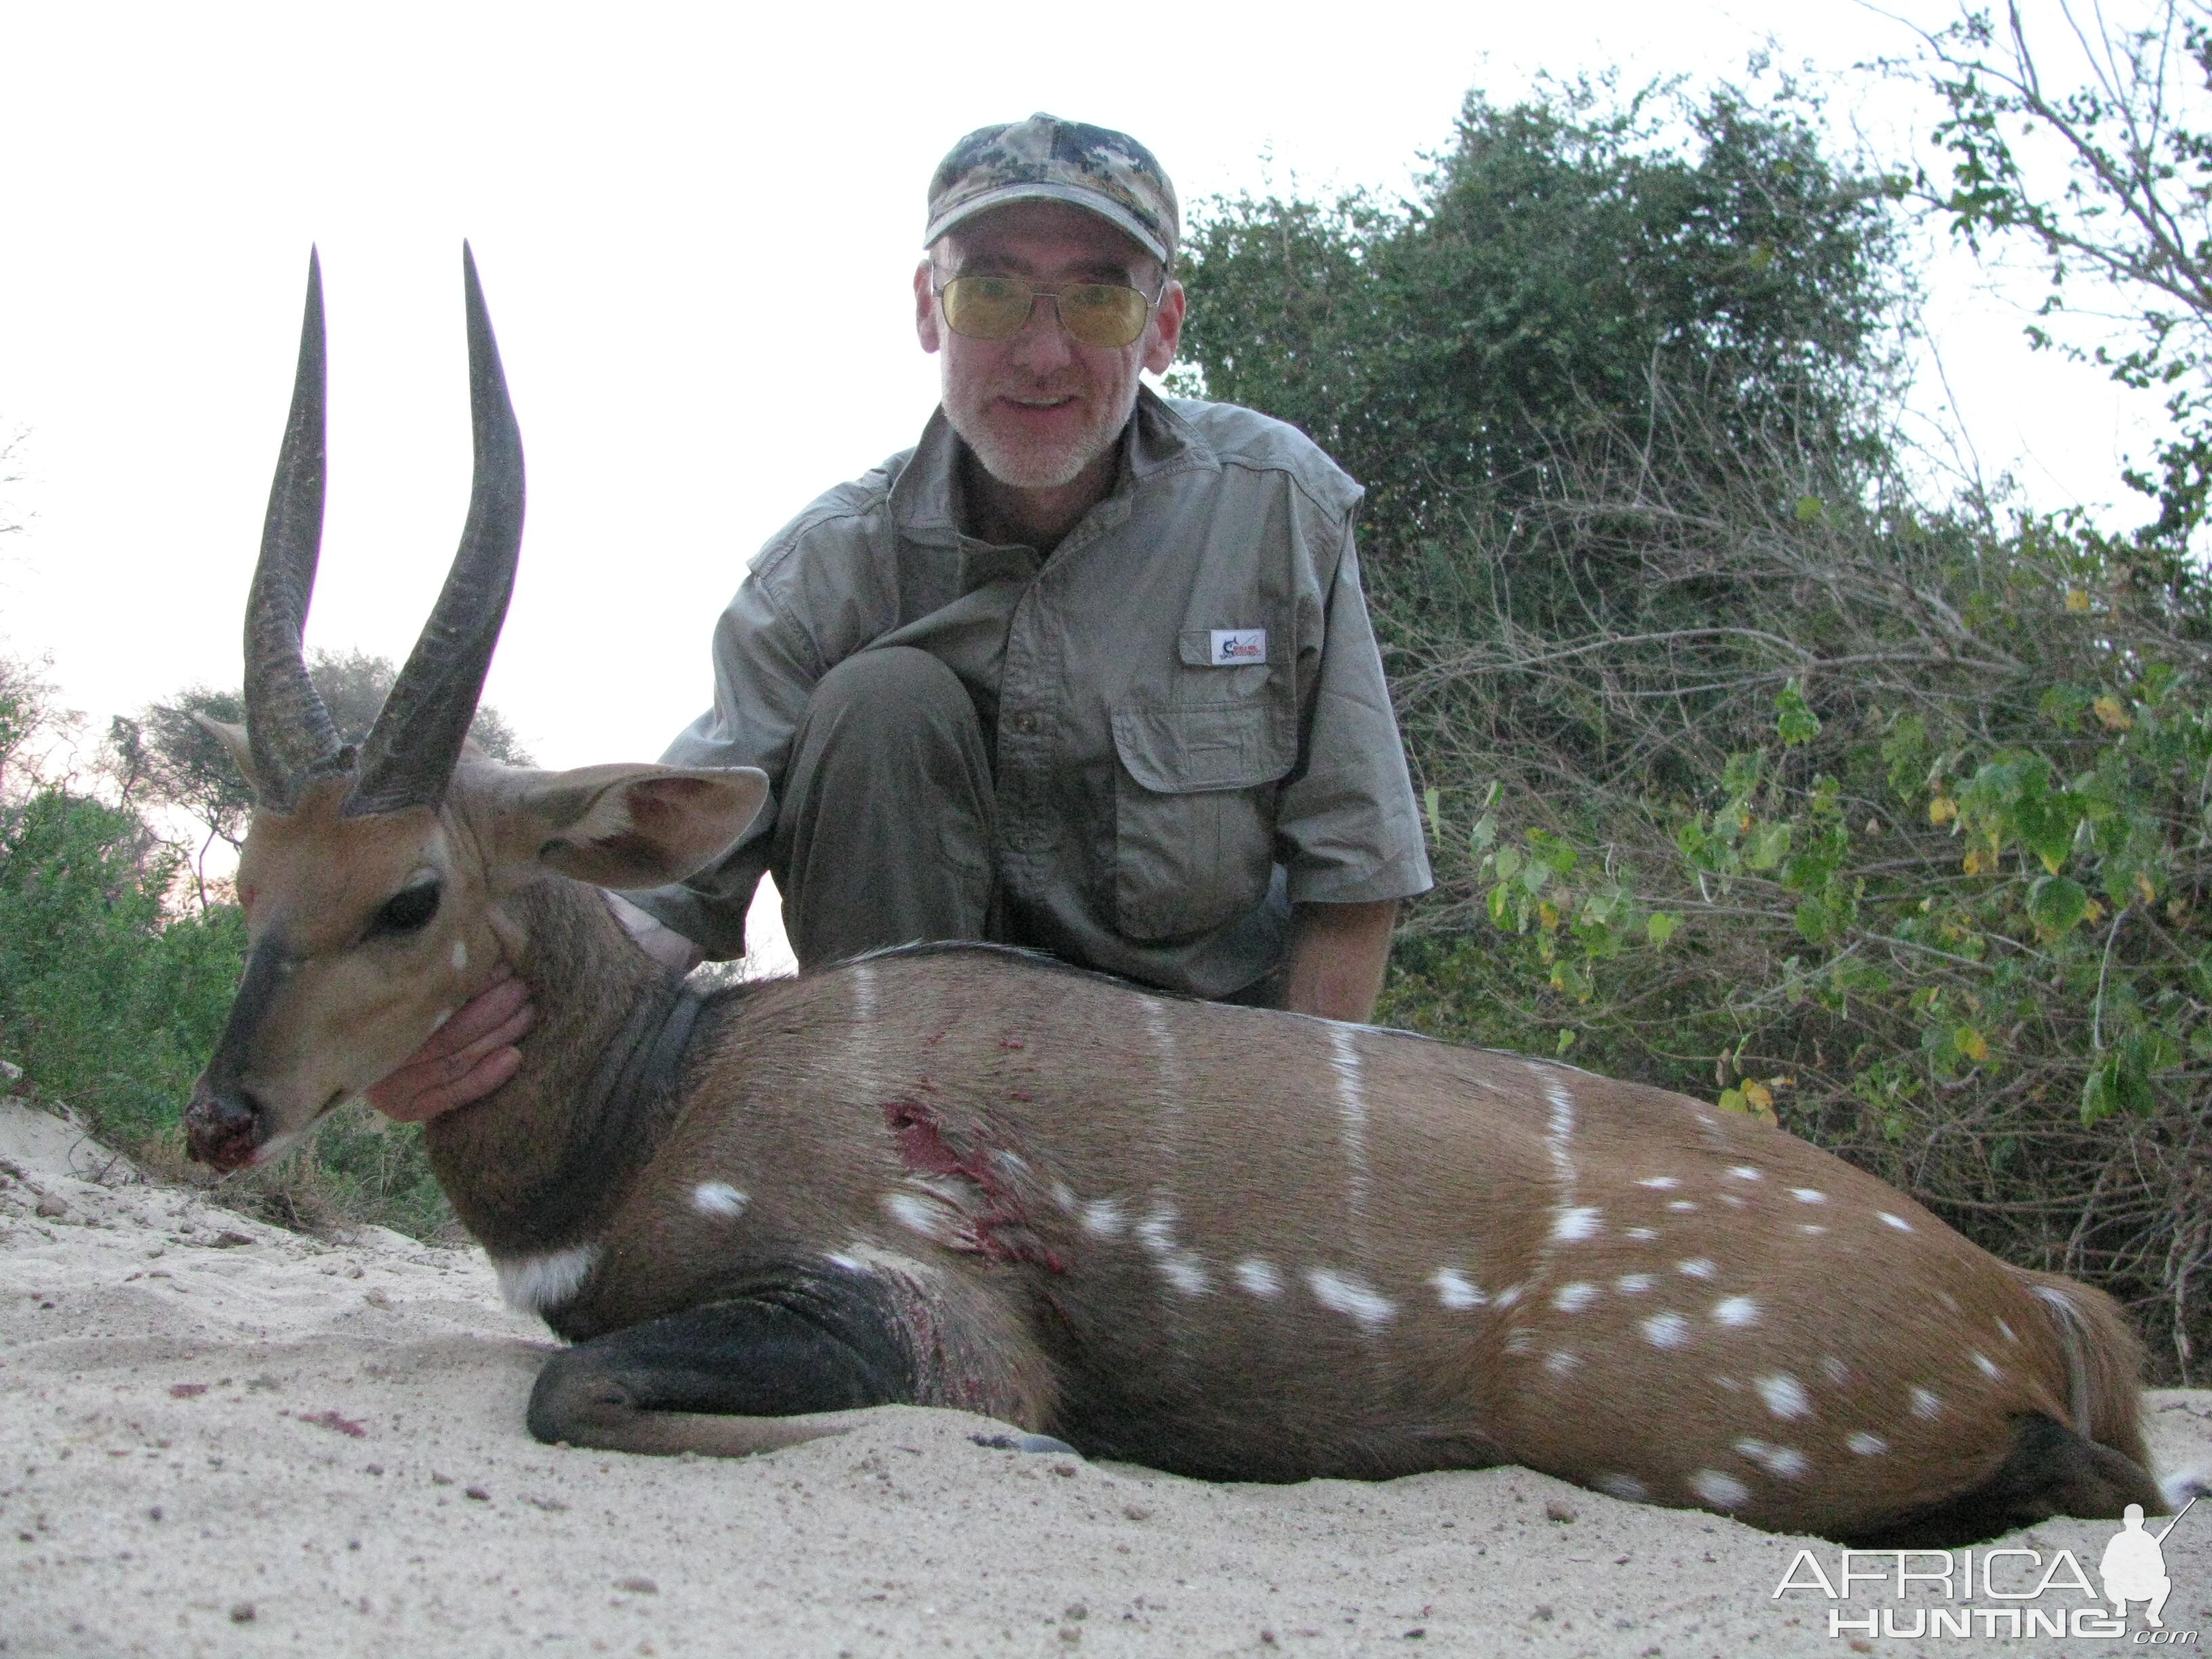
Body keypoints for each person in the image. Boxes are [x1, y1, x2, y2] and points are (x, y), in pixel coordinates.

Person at [370, 113, 1433, 1124]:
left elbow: (1353, 887)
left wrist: (1271, 1161)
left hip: (1197, 1107)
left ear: (1162, 329)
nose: (1044, 351)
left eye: (1098, 302)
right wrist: (429, 1029)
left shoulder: (1275, 507)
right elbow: (668, 894)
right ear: (928, 309)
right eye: (993, 294)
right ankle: (898, 1181)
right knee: (882, 699)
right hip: (931, 1110)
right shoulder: (820, 571)